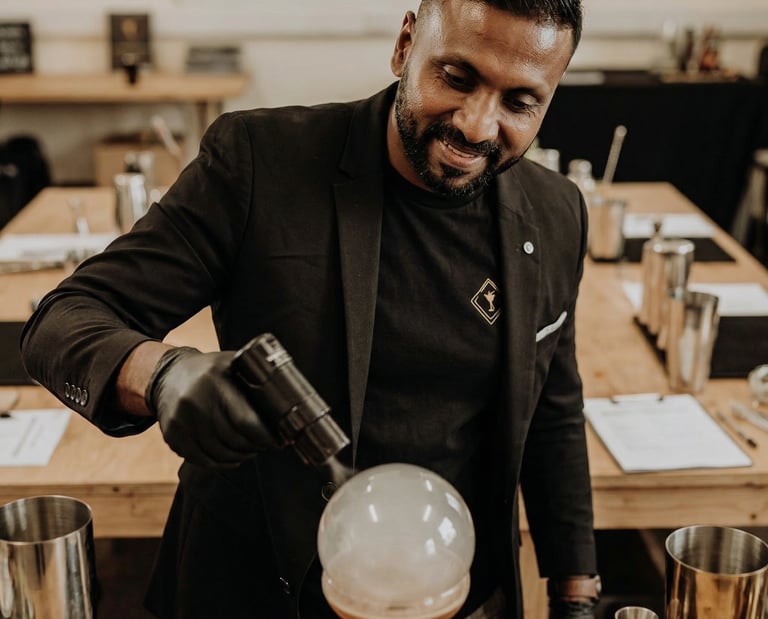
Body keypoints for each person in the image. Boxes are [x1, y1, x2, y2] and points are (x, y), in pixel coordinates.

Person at [21, 0, 600, 617]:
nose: (479, 126)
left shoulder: (555, 213)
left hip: (446, 593)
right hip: (259, 586)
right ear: (406, 45)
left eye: (520, 102)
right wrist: (160, 375)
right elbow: (61, 319)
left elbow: (552, 414)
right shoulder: (260, 162)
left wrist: (576, 594)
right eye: (456, 77)